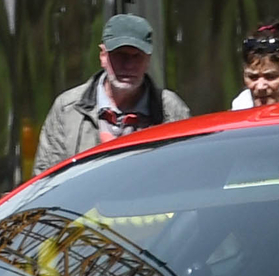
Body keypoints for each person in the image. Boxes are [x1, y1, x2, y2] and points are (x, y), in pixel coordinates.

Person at [33, 14, 190, 173]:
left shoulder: (171, 110)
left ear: (148, 60)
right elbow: (46, 180)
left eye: (137, 56)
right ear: (103, 56)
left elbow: (187, 172)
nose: (129, 65)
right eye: (120, 55)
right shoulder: (68, 109)